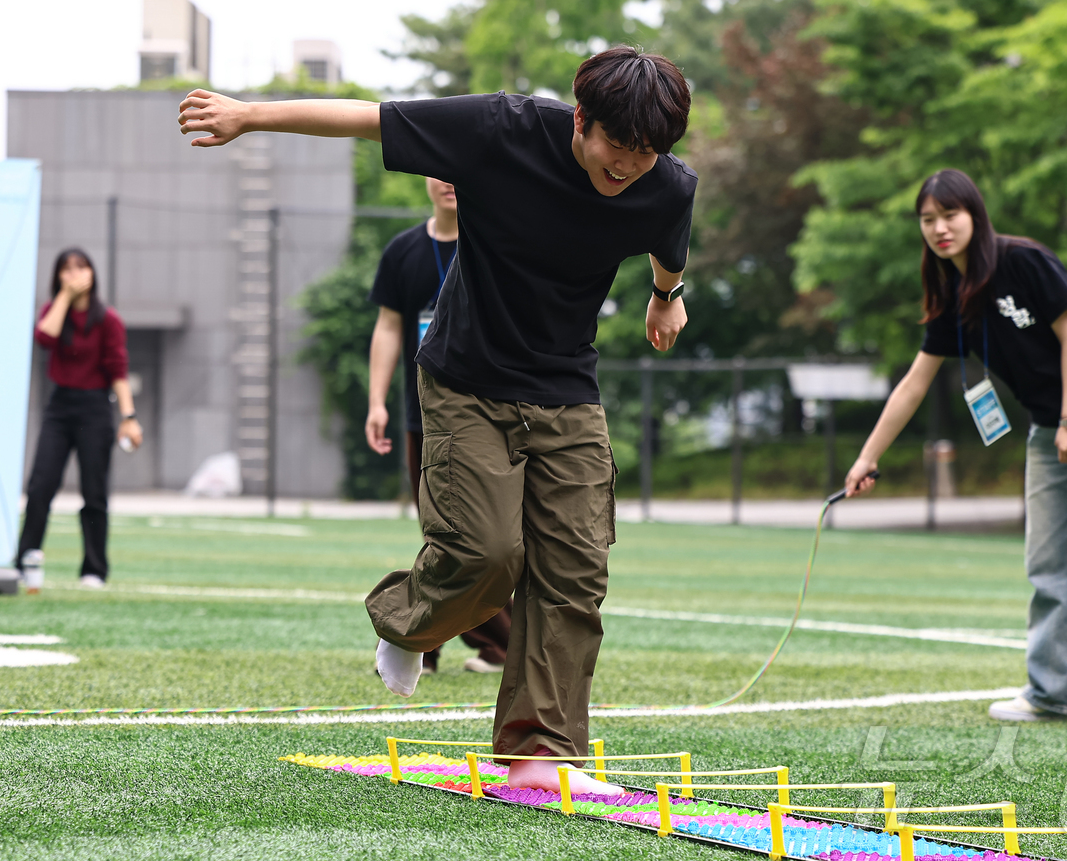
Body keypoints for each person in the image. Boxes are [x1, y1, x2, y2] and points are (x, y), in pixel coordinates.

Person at [179, 45, 695, 793]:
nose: (629, 167)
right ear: (582, 118)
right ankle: (406, 621)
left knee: (575, 571)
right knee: (487, 556)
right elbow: (368, 118)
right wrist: (249, 115)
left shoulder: (664, 183)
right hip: (466, 379)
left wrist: (665, 295)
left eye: (648, 154)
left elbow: (670, 248)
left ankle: (538, 757)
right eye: (618, 145)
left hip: (567, 388)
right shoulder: (501, 129)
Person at [843, 169, 1067, 731]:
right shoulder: (950, 295)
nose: (939, 228)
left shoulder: (1024, 261)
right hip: (1048, 429)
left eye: (950, 215)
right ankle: (1054, 693)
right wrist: (866, 457)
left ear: (974, 214)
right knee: (1049, 562)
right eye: (928, 220)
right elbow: (914, 383)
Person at [365, 175, 513, 676]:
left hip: (490, 408)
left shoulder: (496, 239)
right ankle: (432, 643)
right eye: (439, 171)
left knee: (489, 534)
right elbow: (389, 326)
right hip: (422, 410)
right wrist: (376, 401)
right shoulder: (404, 250)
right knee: (443, 527)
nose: (451, 182)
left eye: (460, 170)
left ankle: (481, 643)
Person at [17, 248, 143, 588]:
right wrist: (64, 297)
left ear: (93, 273)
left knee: (94, 491)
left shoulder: (108, 320)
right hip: (60, 406)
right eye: (67, 269)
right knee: (40, 485)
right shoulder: (53, 311)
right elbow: (44, 338)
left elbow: (118, 369)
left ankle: (94, 569)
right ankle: (25, 560)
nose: (74, 274)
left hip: (95, 408)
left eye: (81, 267)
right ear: (58, 276)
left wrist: (128, 416)